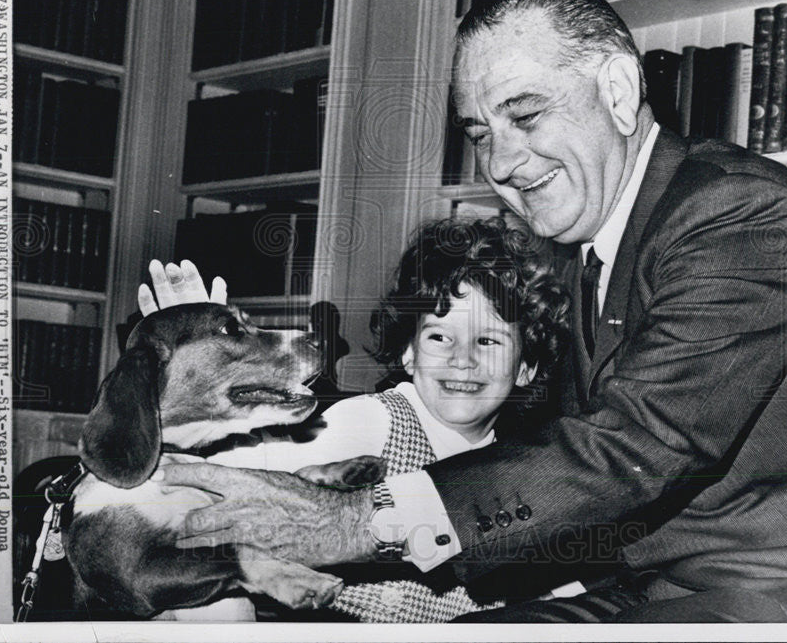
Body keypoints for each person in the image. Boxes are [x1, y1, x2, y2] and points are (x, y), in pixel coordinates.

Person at [150, 0, 787, 623]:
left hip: (762, 595)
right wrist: (218, 376)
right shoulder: (583, 245)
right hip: (636, 588)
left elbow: (639, 442)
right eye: (478, 133)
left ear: (619, 91)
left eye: (525, 115)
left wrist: (355, 521)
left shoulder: (738, 212)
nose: (499, 163)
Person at [146, 218, 573, 622]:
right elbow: (230, 483)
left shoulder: (519, 468)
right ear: (408, 352)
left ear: (526, 367)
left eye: (488, 340)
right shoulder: (374, 422)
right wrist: (205, 371)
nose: (463, 359)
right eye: (440, 337)